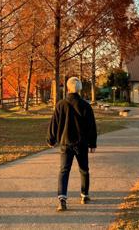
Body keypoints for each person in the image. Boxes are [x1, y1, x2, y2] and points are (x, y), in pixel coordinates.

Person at [47, 77, 97, 211]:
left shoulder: (61, 104)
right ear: (79, 89)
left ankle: (62, 199)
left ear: (68, 88)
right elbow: (91, 126)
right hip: (82, 143)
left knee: (64, 170)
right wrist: (92, 144)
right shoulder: (85, 105)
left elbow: (54, 124)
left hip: (65, 143)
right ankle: (84, 195)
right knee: (84, 169)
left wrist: (51, 140)